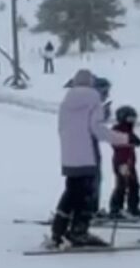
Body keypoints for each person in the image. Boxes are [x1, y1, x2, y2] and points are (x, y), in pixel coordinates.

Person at [46, 69, 134, 249]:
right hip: (88, 155)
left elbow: (64, 129)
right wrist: (126, 139)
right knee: (87, 194)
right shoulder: (94, 99)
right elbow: (97, 130)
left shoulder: (65, 102)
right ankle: (79, 232)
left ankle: (58, 231)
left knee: (71, 193)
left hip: (69, 157)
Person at [108, 105, 140, 220]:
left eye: (134, 119)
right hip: (122, 163)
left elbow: (132, 138)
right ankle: (116, 208)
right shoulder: (117, 129)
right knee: (122, 184)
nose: (132, 122)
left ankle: (133, 207)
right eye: (130, 119)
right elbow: (116, 142)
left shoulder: (129, 130)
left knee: (134, 185)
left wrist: (137, 141)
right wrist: (129, 140)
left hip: (130, 163)